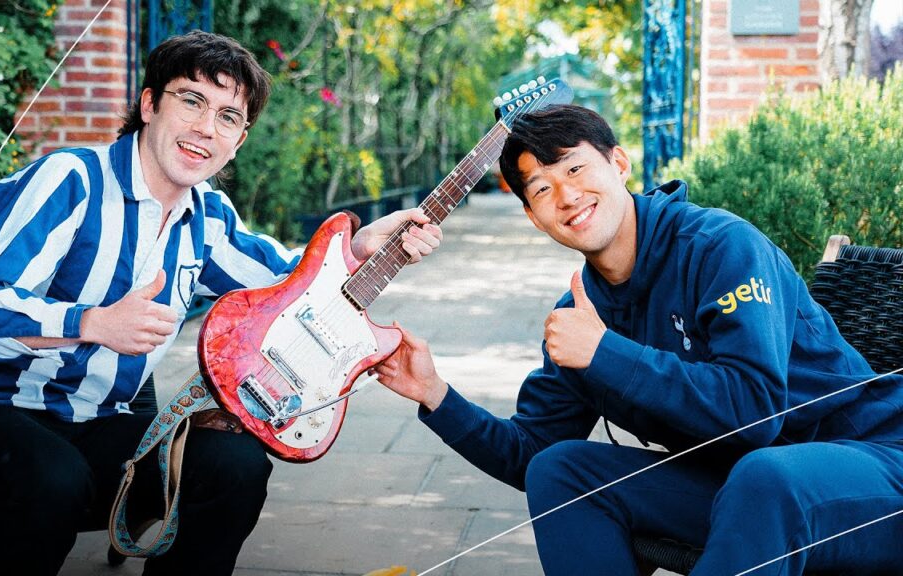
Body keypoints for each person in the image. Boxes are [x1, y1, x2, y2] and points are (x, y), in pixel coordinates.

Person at [0, 31, 441, 576]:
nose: (205, 129)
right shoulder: (70, 181)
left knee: (233, 465)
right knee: (53, 477)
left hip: (99, 426)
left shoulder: (208, 219)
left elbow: (293, 282)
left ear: (238, 141)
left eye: (228, 117)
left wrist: (360, 246)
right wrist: (90, 323)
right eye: (191, 101)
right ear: (148, 104)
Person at [375, 104, 903, 575]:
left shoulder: (722, 247)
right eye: (542, 189)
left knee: (766, 477)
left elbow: (755, 415)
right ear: (534, 217)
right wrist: (436, 395)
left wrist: (609, 354)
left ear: (620, 165)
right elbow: (530, 452)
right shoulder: (580, 316)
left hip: (873, 470)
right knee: (561, 472)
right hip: (738, 487)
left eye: (576, 168)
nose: (567, 195)